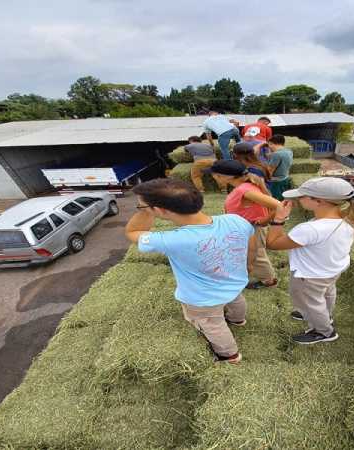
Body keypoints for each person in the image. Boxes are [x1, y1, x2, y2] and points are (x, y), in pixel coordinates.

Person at [124, 178, 253, 363]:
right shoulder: (235, 220)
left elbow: (132, 232)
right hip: (234, 282)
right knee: (236, 300)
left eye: (141, 206)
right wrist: (249, 265)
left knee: (212, 324)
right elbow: (252, 243)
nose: (141, 208)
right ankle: (238, 320)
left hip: (202, 299)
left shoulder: (172, 240)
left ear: (160, 210)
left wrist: (145, 212)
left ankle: (229, 355)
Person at [265, 177, 354, 345]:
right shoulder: (351, 214)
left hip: (310, 275)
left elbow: (272, 243)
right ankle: (323, 315)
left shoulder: (309, 229)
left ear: (319, 201)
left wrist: (279, 219)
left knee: (308, 300)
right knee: (326, 293)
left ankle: (324, 331)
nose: (298, 199)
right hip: (332, 269)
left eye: (302, 196)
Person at [206, 160, 280, 290]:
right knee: (252, 254)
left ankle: (269, 281)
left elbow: (279, 206)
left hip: (251, 228)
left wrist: (265, 220)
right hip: (244, 228)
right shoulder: (245, 186)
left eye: (214, 175)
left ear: (224, 176)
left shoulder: (245, 190)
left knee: (257, 256)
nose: (212, 177)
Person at [257, 135, 293, 200]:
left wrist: (264, 181)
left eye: (269, 145)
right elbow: (270, 156)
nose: (269, 147)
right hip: (285, 178)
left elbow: (270, 171)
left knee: (274, 200)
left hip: (276, 182)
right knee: (282, 199)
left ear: (271, 144)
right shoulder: (288, 151)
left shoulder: (276, 155)